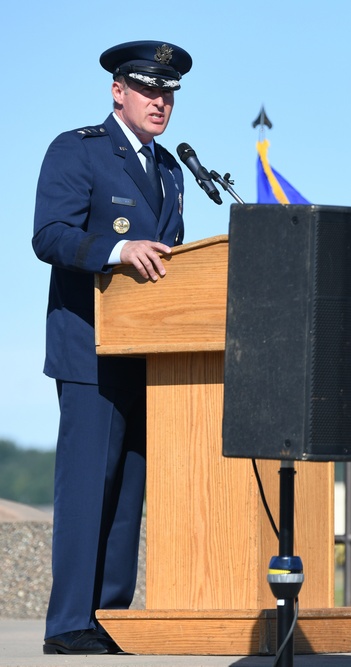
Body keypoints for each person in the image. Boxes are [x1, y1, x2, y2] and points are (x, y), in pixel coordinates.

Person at [32, 40, 192, 654]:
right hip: (89, 349)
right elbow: (49, 234)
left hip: (148, 354)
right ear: (117, 90)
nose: (160, 102)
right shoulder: (78, 150)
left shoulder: (172, 170)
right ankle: (70, 622)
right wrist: (116, 249)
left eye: (169, 93)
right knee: (87, 488)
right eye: (149, 89)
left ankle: (112, 619)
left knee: (129, 492)